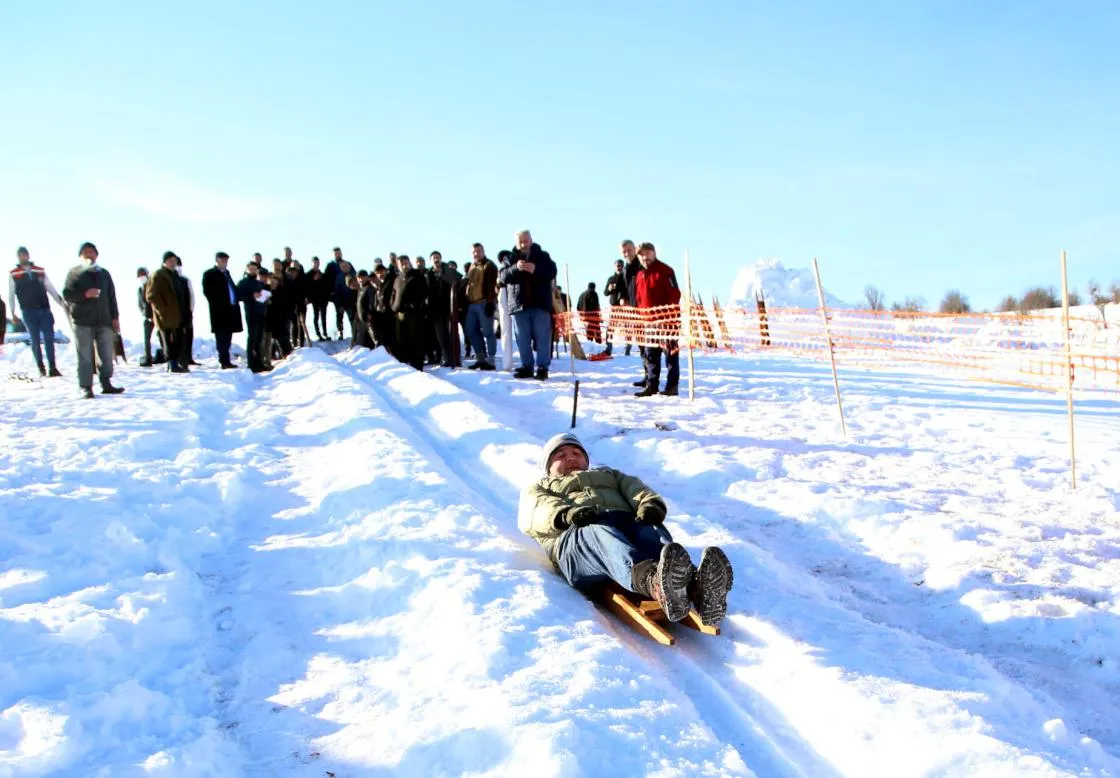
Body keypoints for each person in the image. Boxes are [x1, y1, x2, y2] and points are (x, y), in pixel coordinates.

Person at [519, 433, 733, 627]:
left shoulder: (610, 475)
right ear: (548, 466)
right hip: (577, 545)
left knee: (650, 526)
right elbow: (534, 512)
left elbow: (637, 490)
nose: (571, 458)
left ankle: (695, 587)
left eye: (576, 453)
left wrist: (649, 506)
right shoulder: (541, 487)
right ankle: (655, 583)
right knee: (598, 531)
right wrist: (567, 514)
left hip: (623, 526)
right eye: (560, 455)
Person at [62, 242, 124, 398]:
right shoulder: (74, 273)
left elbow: (111, 297)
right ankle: (86, 387)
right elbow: (67, 294)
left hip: (104, 320)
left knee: (106, 355)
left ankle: (106, 383)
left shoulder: (104, 274)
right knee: (84, 356)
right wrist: (84, 294)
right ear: (80, 256)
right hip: (82, 321)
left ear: (96, 255)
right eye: (85, 252)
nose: (88, 254)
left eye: (91, 251)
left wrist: (115, 317)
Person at [499, 230, 557, 380]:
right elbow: (502, 277)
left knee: (543, 338)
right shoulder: (510, 258)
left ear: (531, 240)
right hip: (519, 306)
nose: (524, 244)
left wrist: (536, 269)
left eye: (526, 241)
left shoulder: (543, 256)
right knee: (522, 339)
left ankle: (543, 368)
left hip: (540, 305)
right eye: (521, 242)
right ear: (516, 243)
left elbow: (552, 270)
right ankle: (527, 367)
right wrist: (515, 268)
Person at [633, 242, 681, 397]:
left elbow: (675, 295)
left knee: (670, 355)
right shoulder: (640, 275)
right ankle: (652, 385)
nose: (644, 257)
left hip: (666, 322)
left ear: (654, 253)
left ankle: (672, 386)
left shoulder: (665, 271)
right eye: (641, 255)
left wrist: (667, 317)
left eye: (647, 253)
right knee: (650, 355)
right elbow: (639, 299)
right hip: (648, 323)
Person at [8, 246, 64, 377]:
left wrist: (61, 303)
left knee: (49, 337)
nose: (23, 257)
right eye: (20, 255)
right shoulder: (14, 273)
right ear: (18, 257)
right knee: (35, 339)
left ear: (28, 255)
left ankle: (53, 367)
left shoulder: (39, 271)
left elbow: (50, 287)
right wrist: (12, 312)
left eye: (25, 254)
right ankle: (40, 367)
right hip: (28, 310)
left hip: (44, 309)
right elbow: (11, 293)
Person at [146, 251, 189, 372]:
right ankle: (172, 364)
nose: (173, 263)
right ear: (164, 261)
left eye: (174, 260)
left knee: (178, 339)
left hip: (178, 313)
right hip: (165, 315)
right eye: (170, 260)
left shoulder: (175, 275)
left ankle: (176, 363)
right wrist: (162, 309)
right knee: (168, 340)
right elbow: (151, 295)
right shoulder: (158, 275)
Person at [201, 251, 244, 369]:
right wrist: (219, 303)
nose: (225, 263)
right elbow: (207, 292)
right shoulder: (210, 274)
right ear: (217, 260)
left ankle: (227, 360)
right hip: (219, 311)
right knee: (221, 336)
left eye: (226, 260)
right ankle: (223, 361)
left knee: (228, 335)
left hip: (230, 310)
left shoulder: (227, 274)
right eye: (223, 260)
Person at [464, 243, 498, 370]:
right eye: (474, 252)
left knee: (488, 332)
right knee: (471, 330)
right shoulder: (472, 266)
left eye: (478, 251)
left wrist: (490, 303)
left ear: (483, 251)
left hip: (484, 302)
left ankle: (491, 360)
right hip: (472, 303)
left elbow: (491, 285)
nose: (476, 254)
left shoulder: (489, 265)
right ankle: (480, 357)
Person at [390, 255, 427, 370]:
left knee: (416, 339)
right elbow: (393, 295)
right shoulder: (397, 279)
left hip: (415, 313)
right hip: (400, 314)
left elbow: (424, 292)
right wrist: (394, 307)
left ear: (410, 263)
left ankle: (418, 364)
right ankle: (406, 363)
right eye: (401, 263)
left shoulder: (417, 276)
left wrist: (414, 304)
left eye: (406, 262)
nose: (404, 265)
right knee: (402, 339)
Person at [236, 261, 270, 373]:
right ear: (247, 269)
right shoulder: (243, 282)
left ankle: (259, 363)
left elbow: (265, 295)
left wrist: (266, 297)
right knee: (252, 337)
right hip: (251, 312)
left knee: (259, 339)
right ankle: (251, 364)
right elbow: (238, 295)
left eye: (255, 269)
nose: (253, 271)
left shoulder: (258, 283)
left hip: (261, 312)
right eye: (251, 269)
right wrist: (251, 296)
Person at [426, 251, 456, 367]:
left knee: (449, 334)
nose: (436, 260)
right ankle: (445, 357)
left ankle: (451, 358)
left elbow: (454, 282)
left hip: (448, 307)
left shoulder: (447, 271)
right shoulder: (428, 274)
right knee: (441, 335)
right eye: (434, 258)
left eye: (438, 257)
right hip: (435, 309)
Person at [173, 257, 199, 366]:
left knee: (189, 334)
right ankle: (179, 358)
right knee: (178, 337)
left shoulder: (185, 280)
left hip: (187, 312)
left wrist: (191, 309)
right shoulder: (171, 280)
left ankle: (189, 357)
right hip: (175, 313)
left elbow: (192, 295)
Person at [603, 257, 630, 357]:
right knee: (610, 329)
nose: (619, 267)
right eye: (617, 266)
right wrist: (609, 288)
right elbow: (605, 292)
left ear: (623, 267)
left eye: (621, 266)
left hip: (625, 307)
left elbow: (631, 291)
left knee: (627, 328)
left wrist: (625, 298)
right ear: (615, 267)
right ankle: (608, 348)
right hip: (614, 307)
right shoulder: (611, 279)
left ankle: (628, 349)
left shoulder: (627, 277)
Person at [308, 257, 329, 341]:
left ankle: (325, 333)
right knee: (316, 316)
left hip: (323, 299)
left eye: (317, 262)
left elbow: (326, 286)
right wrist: (314, 280)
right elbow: (307, 287)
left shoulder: (322, 274)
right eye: (315, 262)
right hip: (314, 299)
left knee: (324, 316)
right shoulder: (309, 275)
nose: (316, 264)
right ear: (312, 263)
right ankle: (318, 334)